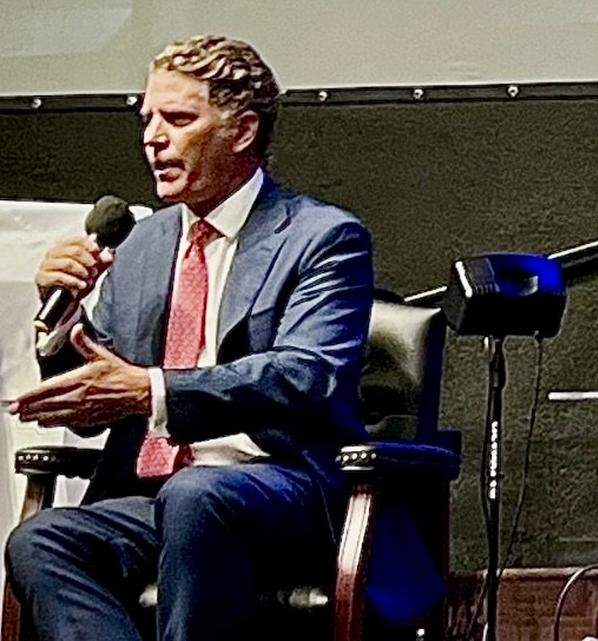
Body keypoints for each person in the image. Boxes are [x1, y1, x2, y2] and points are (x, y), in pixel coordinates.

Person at [4, 35, 374, 641]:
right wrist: (66, 316)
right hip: (156, 496)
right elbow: (100, 401)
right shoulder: (143, 243)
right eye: (146, 118)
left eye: (177, 119)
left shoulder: (322, 237)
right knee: (41, 540)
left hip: (279, 486)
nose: (152, 137)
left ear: (243, 130)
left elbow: (308, 374)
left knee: (199, 495)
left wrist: (151, 391)